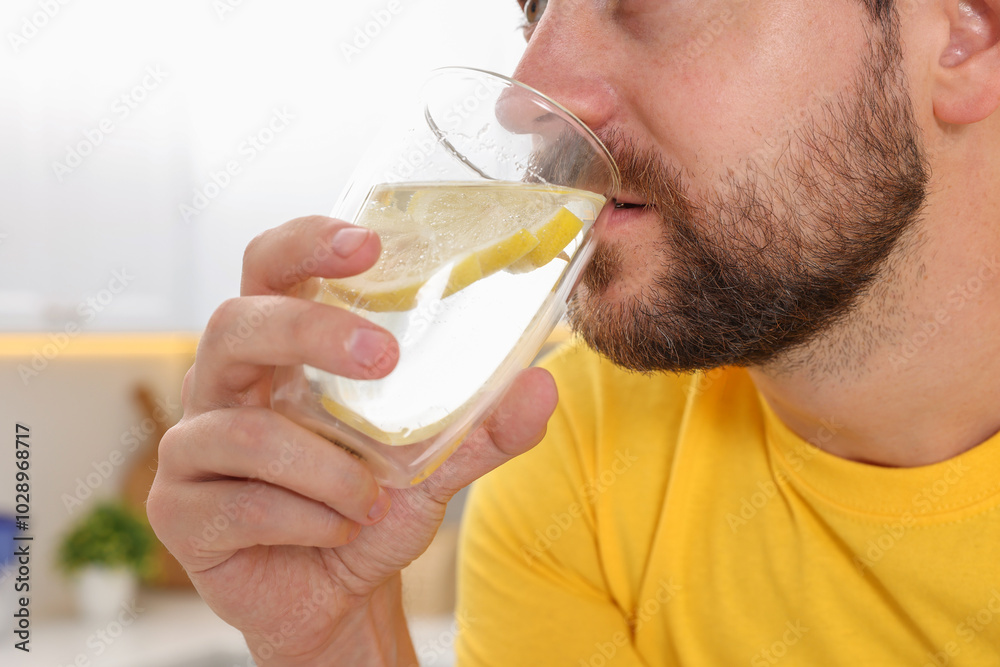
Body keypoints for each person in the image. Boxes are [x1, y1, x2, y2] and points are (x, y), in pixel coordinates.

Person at [146, 0, 1000, 664]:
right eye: (535, 7)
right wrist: (334, 646)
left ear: (963, 35)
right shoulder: (568, 445)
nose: (529, 97)